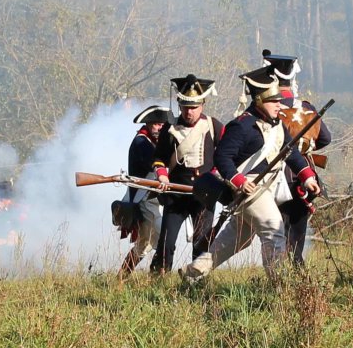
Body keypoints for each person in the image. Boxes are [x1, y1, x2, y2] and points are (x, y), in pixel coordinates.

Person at [179, 67, 322, 285]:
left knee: (237, 240)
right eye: (273, 100)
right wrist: (239, 181)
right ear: (259, 100)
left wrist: (308, 176)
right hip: (250, 189)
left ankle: (194, 270)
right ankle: (280, 285)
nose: (279, 104)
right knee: (274, 229)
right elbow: (222, 157)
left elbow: (289, 152)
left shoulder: (277, 125)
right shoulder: (242, 125)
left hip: (268, 188)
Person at [264, 51, 334, 268]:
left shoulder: (268, 108)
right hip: (304, 172)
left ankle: (281, 273)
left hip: (276, 173)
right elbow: (325, 138)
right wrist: (305, 150)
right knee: (296, 228)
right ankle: (295, 267)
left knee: (276, 229)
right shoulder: (307, 107)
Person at [153, 76, 220, 273]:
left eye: (193, 107)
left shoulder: (214, 126)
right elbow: (159, 159)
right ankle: (160, 278)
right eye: (185, 107)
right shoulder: (169, 128)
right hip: (176, 194)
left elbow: (224, 156)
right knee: (166, 242)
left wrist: (215, 178)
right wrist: (162, 176)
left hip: (204, 196)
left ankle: (195, 280)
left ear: (202, 105)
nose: (189, 112)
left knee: (201, 243)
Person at [116, 106, 169, 275]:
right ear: (148, 124)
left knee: (143, 244)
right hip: (144, 198)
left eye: (163, 124)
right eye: (156, 124)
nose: (160, 127)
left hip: (153, 198)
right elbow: (156, 166)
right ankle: (158, 274)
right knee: (165, 236)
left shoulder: (154, 142)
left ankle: (122, 276)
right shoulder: (142, 142)